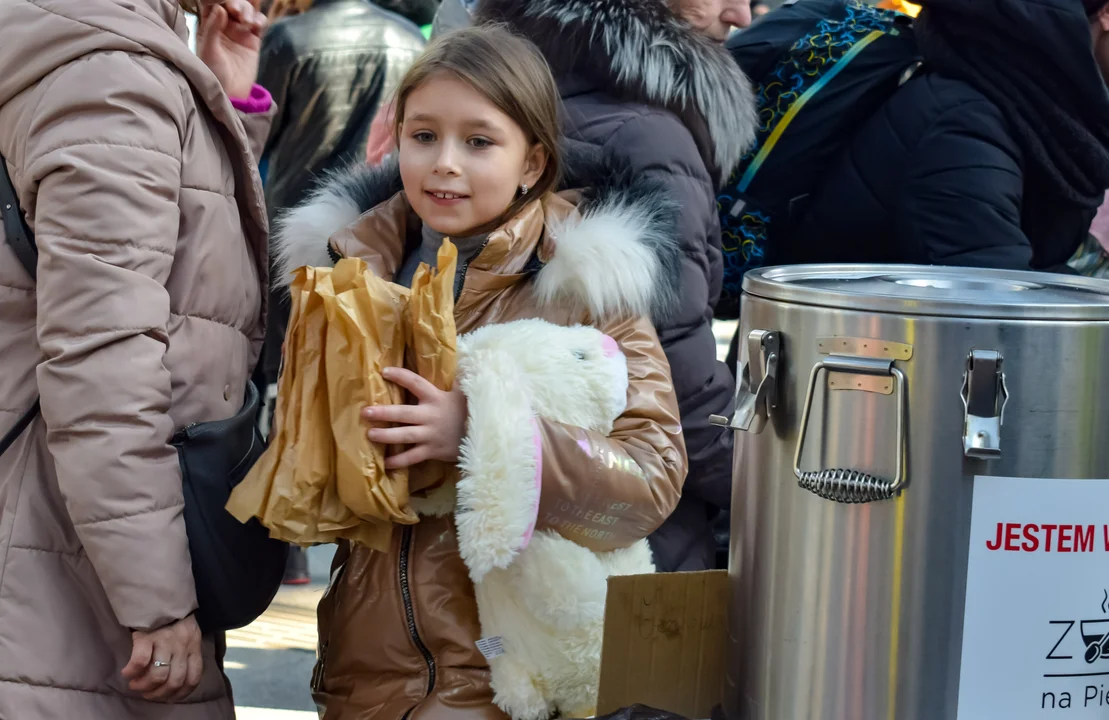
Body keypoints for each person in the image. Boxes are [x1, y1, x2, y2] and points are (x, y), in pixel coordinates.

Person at [273, 25, 687, 717]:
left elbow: (650, 479)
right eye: (423, 135)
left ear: (532, 161)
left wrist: (484, 435)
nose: (444, 164)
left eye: (479, 141)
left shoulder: (584, 286)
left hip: (510, 676)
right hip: (366, 662)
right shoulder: (348, 273)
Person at [0, 0, 272, 716]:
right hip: (74, 571)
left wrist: (224, 99)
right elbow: (103, 360)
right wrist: (155, 600)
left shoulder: (70, 46)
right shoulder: (110, 79)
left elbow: (165, 267)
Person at [475, 0, 758, 572]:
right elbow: (680, 385)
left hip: (493, 515)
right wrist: (775, 489)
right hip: (624, 539)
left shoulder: (500, 97)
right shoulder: (650, 136)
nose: (741, 16)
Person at [255, 0, 425, 585]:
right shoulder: (408, 38)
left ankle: (290, 537)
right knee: (363, 377)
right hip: (376, 229)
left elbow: (258, 132)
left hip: (297, 229)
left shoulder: (289, 39)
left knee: (286, 372)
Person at [776, 0, 1109, 272]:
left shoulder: (1040, 113)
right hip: (845, 347)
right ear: (1105, 14)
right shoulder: (966, 125)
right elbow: (995, 311)